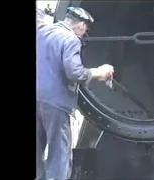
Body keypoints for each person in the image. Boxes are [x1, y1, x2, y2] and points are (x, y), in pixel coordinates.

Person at [36, 7, 114, 180]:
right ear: (80, 25)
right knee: (59, 151)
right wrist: (98, 72)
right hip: (56, 102)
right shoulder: (71, 39)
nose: (85, 33)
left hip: (38, 98)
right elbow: (75, 73)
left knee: (37, 148)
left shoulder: (43, 32)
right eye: (86, 28)